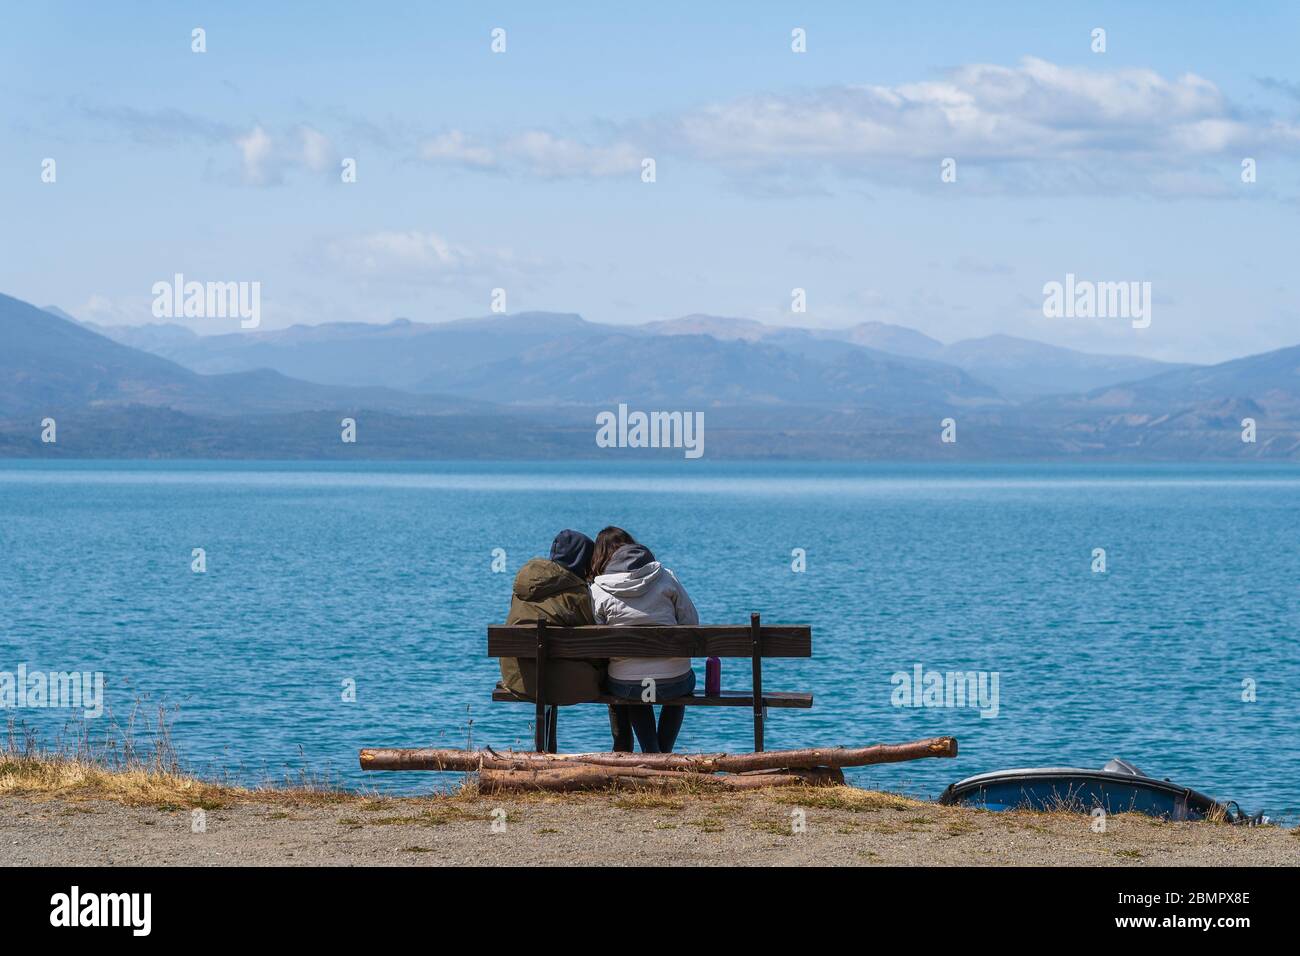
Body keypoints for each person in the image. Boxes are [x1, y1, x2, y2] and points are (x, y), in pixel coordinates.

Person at [499, 530, 633, 752]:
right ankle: (622, 749)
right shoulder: (579, 594)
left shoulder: (522, 587)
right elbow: (595, 648)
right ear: (583, 561)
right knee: (613, 673)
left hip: (521, 680)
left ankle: (543, 751)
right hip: (567, 686)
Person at [589, 527, 699, 753]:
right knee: (678, 683)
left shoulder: (598, 589)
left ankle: (652, 752)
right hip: (674, 681)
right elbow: (691, 622)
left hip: (627, 685)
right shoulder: (666, 577)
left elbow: (597, 642)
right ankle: (663, 753)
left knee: (631, 681)